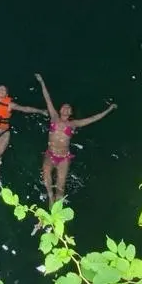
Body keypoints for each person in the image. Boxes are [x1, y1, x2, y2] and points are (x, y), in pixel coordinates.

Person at [34, 72, 116, 206]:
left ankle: (57, 210)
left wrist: (109, 109)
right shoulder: (54, 117)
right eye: (64, 107)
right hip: (50, 154)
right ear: (60, 110)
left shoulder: (73, 124)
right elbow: (47, 98)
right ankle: (50, 197)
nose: (66, 109)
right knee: (46, 175)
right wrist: (42, 81)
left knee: (60, 187)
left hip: (64, 158)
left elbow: (93, 119)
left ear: (70, 113)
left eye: (69, 108)